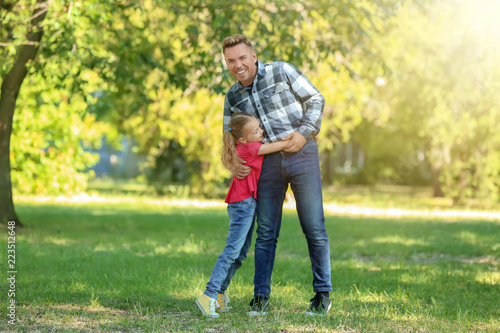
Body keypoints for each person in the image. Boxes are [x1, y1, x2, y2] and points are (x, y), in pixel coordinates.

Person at [221, 34, 332, 316]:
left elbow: (316, 99)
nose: (238, 64)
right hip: (266, 166)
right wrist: (232, 162)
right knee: (266, 233)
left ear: (254, 55)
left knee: (314, 228)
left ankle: (322, 295)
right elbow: (228, 139)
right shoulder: (232, 96)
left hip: (302, 155)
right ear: (227, 63)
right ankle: (260, 298)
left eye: (242, 57)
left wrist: (303, 133)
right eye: (231, 60)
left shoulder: (282, 71)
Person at [196, 113, 289, 317]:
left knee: (239, 254)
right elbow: (279, 146)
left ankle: (219, 294)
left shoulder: (246, 145)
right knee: (231, 252)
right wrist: (298, 137)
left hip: (246, 203)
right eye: (257, 131)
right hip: (243, 205)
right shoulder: (250, 148)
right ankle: (208, 295)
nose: (261, 131)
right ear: (243, 140)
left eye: (260, 128)